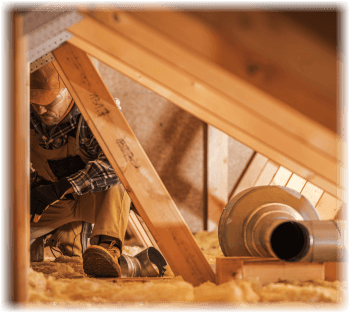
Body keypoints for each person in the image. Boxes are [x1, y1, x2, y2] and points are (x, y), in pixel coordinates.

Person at [29, 62, 131, 277]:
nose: (40, 109)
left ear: (69, 90)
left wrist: (62, 187)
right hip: (50, 202)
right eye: (35, 102)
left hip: (93, 201)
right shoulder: (24, 114)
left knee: (120, 176)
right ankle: (59, 237)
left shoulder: (96, 112)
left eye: (49, 103)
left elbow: (117, 163)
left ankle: (105, 247)